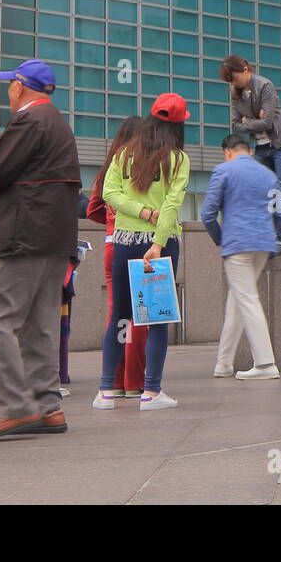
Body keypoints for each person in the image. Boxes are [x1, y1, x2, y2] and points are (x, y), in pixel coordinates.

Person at [0, 59, 81, 441]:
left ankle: (17, 406)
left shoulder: (29, 120)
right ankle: (47, 406)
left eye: (9, 85)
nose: (7, 92)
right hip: (53, 238)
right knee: (39, 325)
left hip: (24, 235)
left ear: (19, 86)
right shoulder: (56, 122)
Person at [96, 94, 190, 411]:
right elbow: (172, 205)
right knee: (156, 320)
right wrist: (158, 241)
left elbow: (109, 193)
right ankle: (151, 392)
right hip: (158, 245)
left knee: (120, 315)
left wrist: (137, 211)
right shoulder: (178, 160)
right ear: (179, 126)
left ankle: (106, 391)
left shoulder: (124, 154)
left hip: (123, 241)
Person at [201, 133, 281, 380]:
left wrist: (220, 238)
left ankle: (265, 363)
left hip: (237, 243)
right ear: (248, 151)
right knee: (237, 302)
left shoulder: (224, 170)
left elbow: (208, 214)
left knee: (246, 300)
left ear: (227, 152)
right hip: (263, 243)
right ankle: (223, 364)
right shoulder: (268, 175)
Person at [86, 116, 147, 398]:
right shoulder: (144, 168)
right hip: (139, 242)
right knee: (140, 315)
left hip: (112, 244)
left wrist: (111, 223)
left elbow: (92, 208)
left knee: (117, 314)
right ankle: (135, 382)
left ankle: (115, 381)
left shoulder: (109, 165)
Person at [221, 55, 281, 255]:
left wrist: (248, 121)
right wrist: (253, 120)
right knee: (264, 189)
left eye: (234, 77)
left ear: (245, 69)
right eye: (230, 80)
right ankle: (266, 236)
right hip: (262, 145)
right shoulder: (235, 92)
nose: (233, 83)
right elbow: (235, 124)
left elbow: (268, 123)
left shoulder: (264, 86)